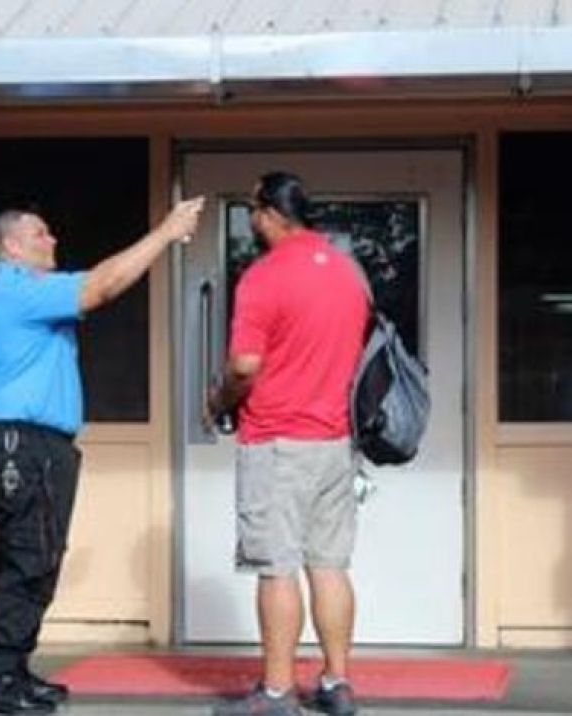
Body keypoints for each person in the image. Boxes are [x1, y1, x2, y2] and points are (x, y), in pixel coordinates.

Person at [0, 197, 204, 715]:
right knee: (29, 559)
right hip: (19, 442)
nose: (52, 240)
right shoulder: (16, 288)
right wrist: (165, 233)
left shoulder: (22, 292)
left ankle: (10, 667)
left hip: (28, 444)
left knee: (34, 557)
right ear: (12, 246)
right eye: (40, 234)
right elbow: (103, 284)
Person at [206, 172, 369, 716]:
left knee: (276, 568)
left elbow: (245, 365)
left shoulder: (264, 276)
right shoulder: (347, 272)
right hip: (334, 442)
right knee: (329, 565)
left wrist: (218, 400)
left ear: (272, 214)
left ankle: (276, 693)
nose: (251, 219)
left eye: (253, 209)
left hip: (277, 441)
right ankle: (337, 684)